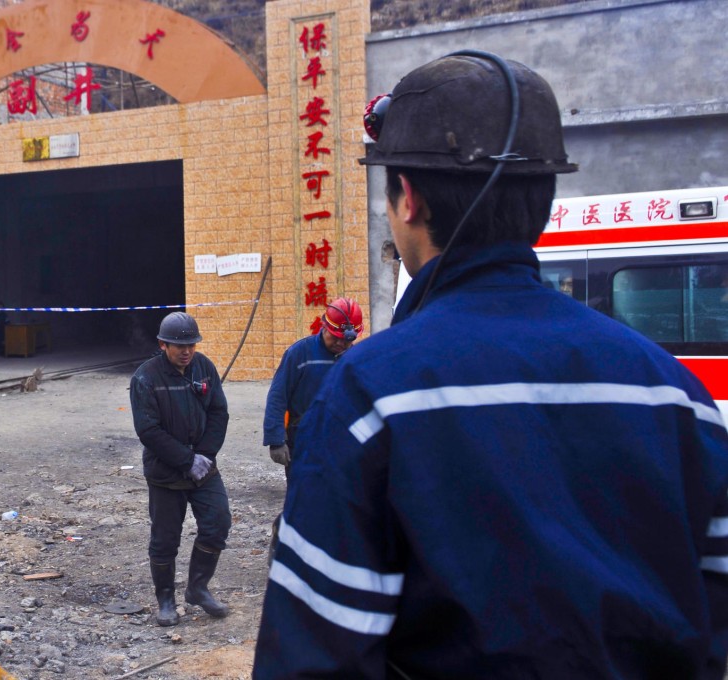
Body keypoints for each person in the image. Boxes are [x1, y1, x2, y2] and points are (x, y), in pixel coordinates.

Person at [254, 52, 728, 678]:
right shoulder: (676, 395)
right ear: (543, 197)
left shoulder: (371, 396)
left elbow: (313, 657)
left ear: (409, 200)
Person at [129, 311, 232, 627]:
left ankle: (198, 589)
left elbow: (219, 412)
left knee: (217, 522)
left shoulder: (204, 369)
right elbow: (148, 430)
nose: (186, 351)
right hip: (166, 472)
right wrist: (186, 461)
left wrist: (204, 455)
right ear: (163, 344)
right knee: (165, 539)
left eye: (191, 344)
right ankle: (165, 600)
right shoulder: (145, 379)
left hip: (204, 468)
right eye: (178, 345)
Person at [263, 297, 364, 471]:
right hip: (303, 438)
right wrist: (275, 440)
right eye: (335, 337)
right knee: (305, 492)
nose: (341, 343)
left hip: (342, 439)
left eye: (347, 339)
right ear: (324, 327)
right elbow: (278, 397)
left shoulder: (355, 358)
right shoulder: (299, 354)